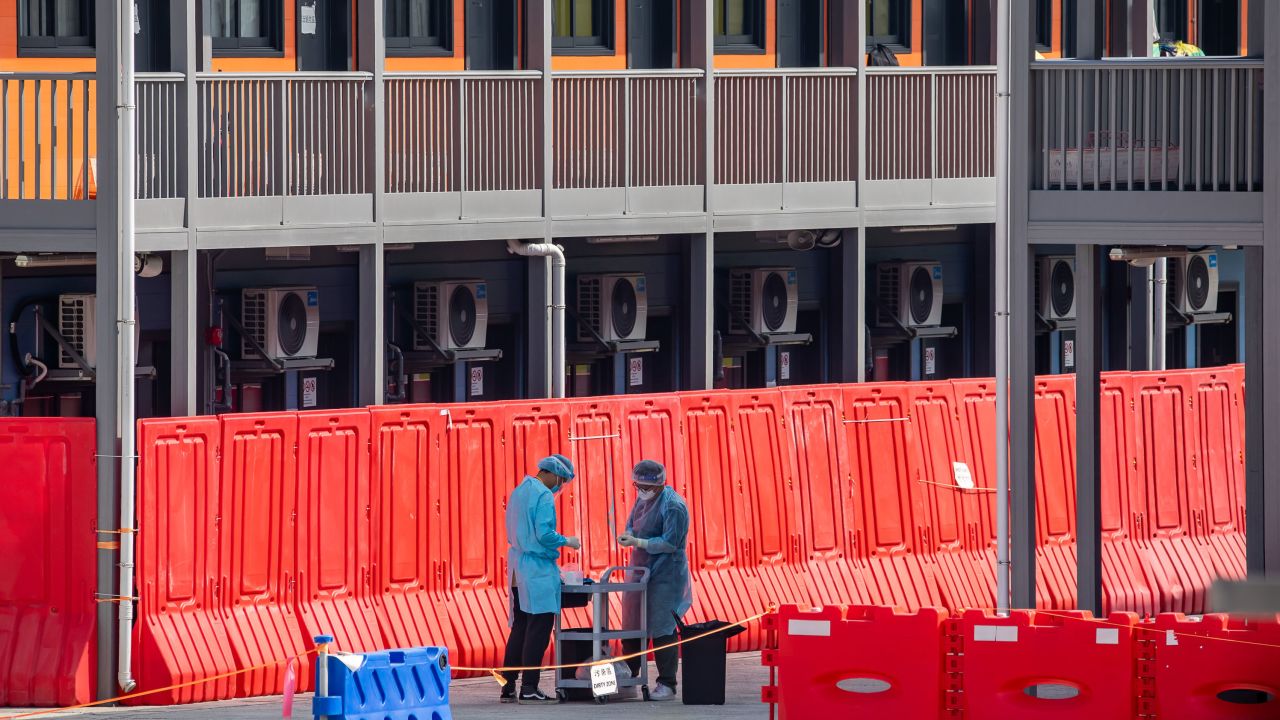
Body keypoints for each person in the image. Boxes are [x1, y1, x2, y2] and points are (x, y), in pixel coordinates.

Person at [501, 454, 581, 705]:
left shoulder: (520, 489)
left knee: (521, 626)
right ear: (552, 473)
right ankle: (529, 687)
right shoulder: (543, 495)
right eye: (562, 480)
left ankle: (507, 686)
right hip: (536, 569)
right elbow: (545, 534)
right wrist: (567, 540)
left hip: (516, 566)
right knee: (539, 628)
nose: (561, 485)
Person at [617, 459, 692, 702]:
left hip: (666, 575)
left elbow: (670, 543)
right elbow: (633, 522)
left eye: (645, 486)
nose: (641, 490)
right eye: (637, 485)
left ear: (659, 484)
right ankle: (629, 678)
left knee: (662, 628)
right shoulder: (643, 499)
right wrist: (629, 534)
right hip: (640, 570)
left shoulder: (673, 507)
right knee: (632, 625)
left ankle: (667, 683)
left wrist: (639, 543)